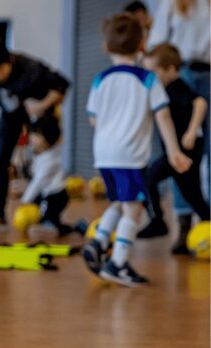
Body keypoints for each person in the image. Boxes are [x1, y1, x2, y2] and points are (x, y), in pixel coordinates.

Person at [82, 13, 191, 287]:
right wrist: (174, 151)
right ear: (142, 45)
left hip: (104, 154)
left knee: (120, 202)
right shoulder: (148, 79)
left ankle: (98, 239)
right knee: (135, 211)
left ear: (106, 47)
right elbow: (163, 116)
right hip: (129, 155)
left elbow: (92, 119)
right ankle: (118, 263)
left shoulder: (99, 80)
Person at [0, 38, 70, 225]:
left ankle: (46, 211)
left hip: (40, 114)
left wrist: (42, 106)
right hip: (11, 114)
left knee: (42, 163)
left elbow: (62, 85)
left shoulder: (31, 69)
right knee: (1, 158)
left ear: (10, 61)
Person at [146, 0, 211, 237]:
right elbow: (156, 43)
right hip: (181, 67)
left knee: (199, 161)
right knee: (179, 168)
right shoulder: (173, 5)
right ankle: (183, 223)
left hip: (208, 72)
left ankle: (206, 224)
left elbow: (200, 103)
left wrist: (193, 130)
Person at [138, 43, 209, 251]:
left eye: (154, 71)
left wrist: (191, 130)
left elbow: (201, 103)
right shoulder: (163, 89)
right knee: (192, 196)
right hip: (178, 153)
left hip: (184, 153)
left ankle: (158, 220)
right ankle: (190, 232)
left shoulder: (175, 87)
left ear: (170, 70)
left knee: (149, 177)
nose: (150, 76)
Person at [21, 116, 83, 239]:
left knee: (47, 213)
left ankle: (52, 229)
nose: (32, 138)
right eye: (32, 134)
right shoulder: (43, 154)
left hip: (55, 195)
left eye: (37, 136)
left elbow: (38, 181)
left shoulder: (50, 159)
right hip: (48, 193)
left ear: (47, 139)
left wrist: (25, 200)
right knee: (45, 213)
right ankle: (75, 227)